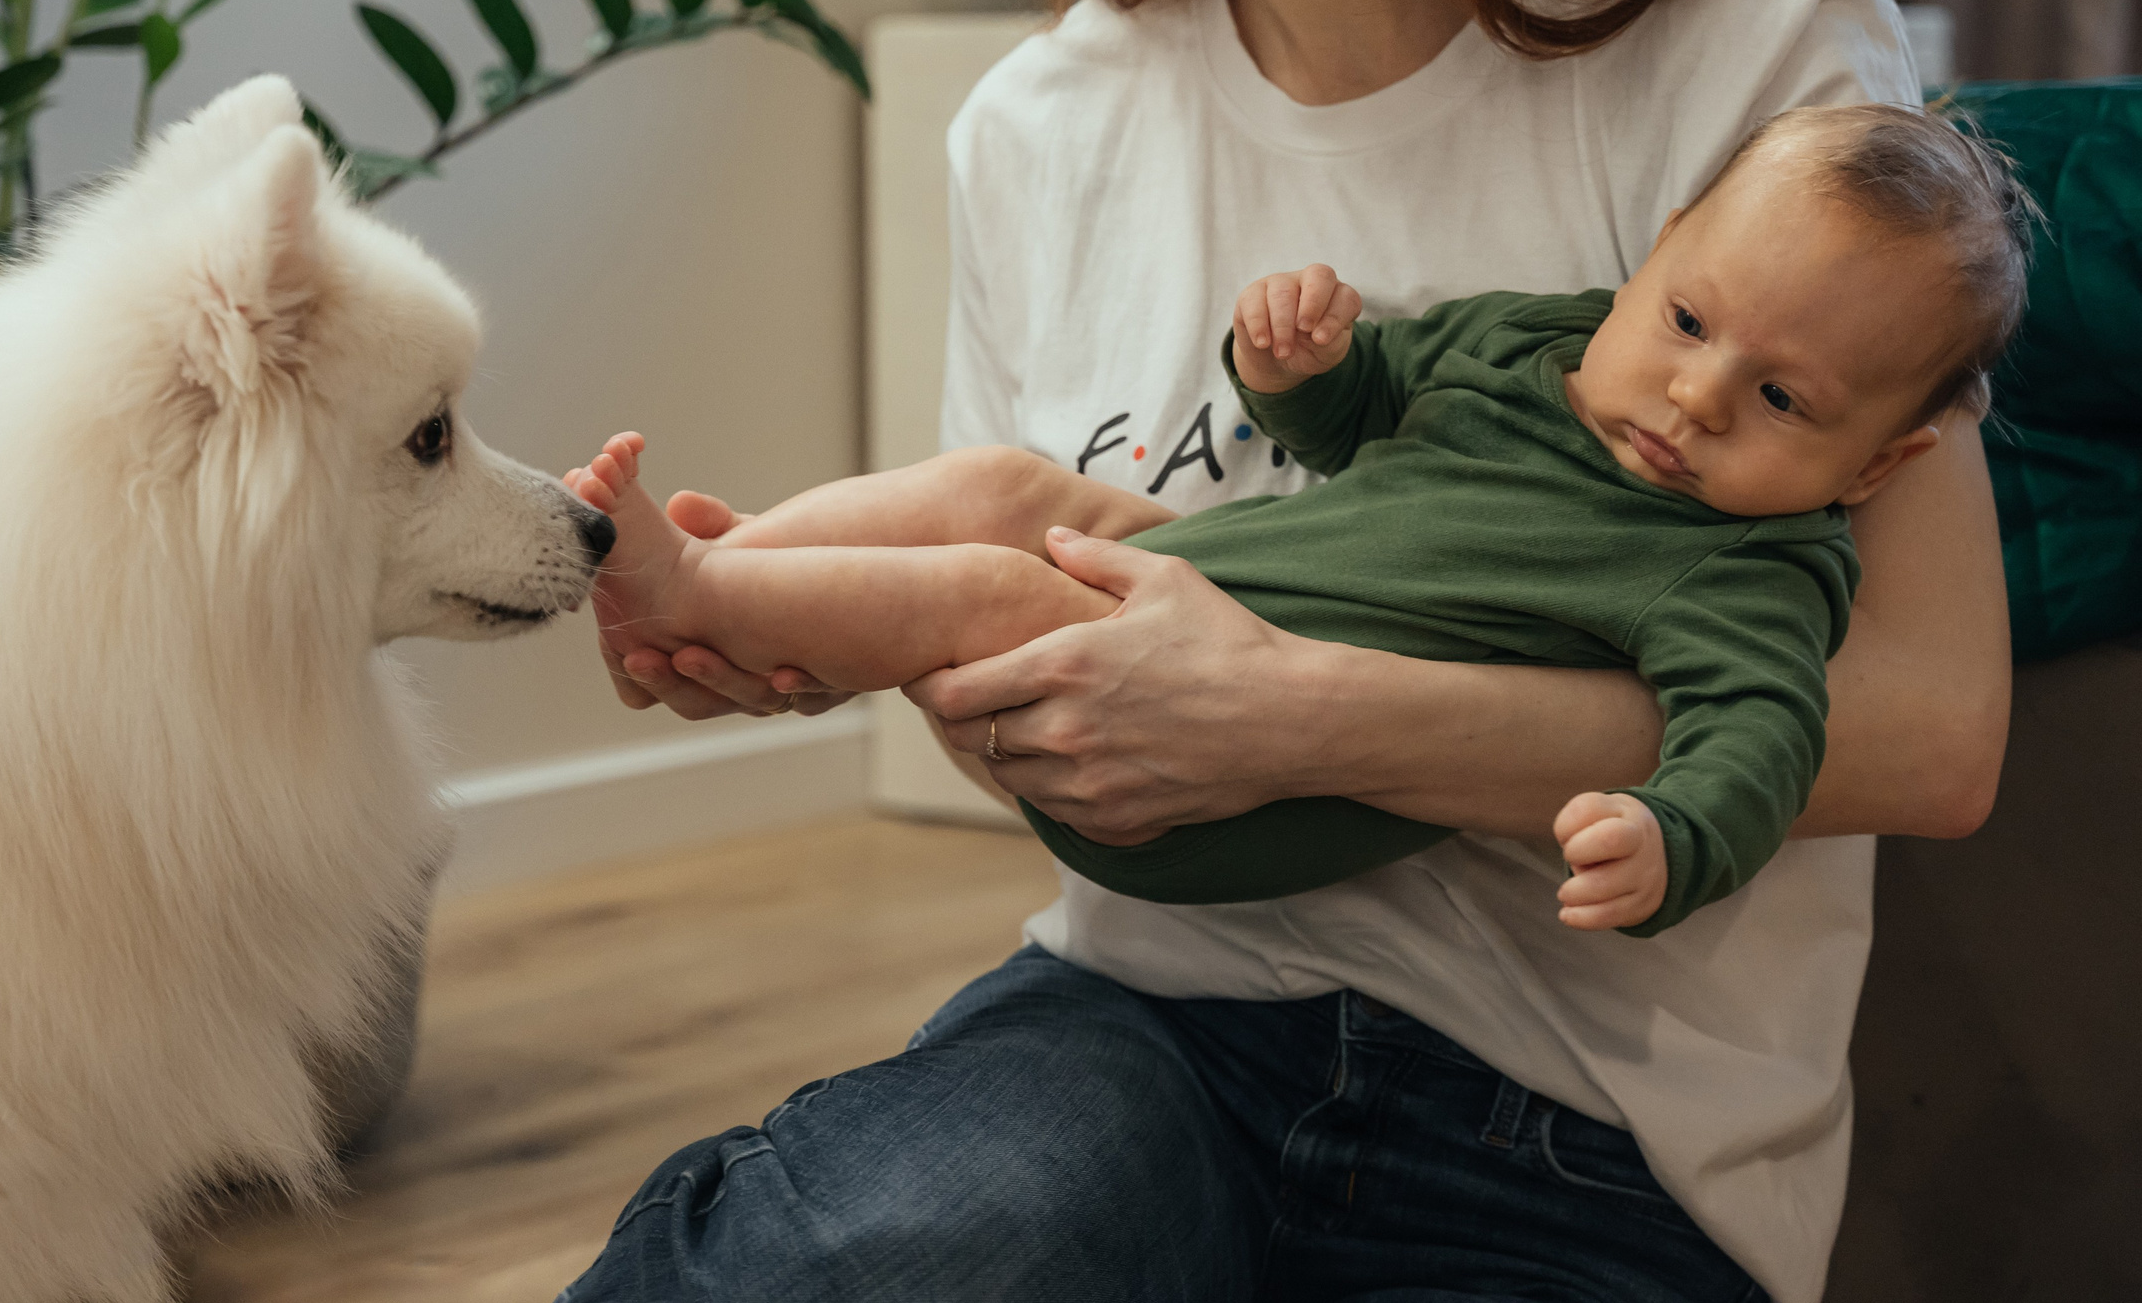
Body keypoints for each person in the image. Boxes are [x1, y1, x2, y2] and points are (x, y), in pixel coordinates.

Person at [511, 0, 2011, 1303]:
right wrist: (845, 639)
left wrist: (1301, 715)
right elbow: (1045, 693)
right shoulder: (1040, 129)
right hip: (1149, 1027)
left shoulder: (1754, 36)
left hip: (1599, 1154)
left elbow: (1932, 736)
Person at [562, 104, 2029, 937]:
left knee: (986, 594)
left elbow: (1761, 742)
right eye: (1690, 318)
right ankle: (748, 572)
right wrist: (1299, 369)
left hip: (1229, 795)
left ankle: (691, 580)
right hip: (1191, 588)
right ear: (1654, 260)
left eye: (1784, 400)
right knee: (1004, 491)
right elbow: (1357, 418)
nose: (1697, 395)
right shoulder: (1548, 345)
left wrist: (1672, 837)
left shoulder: (1755, 569)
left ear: (1874, 465)